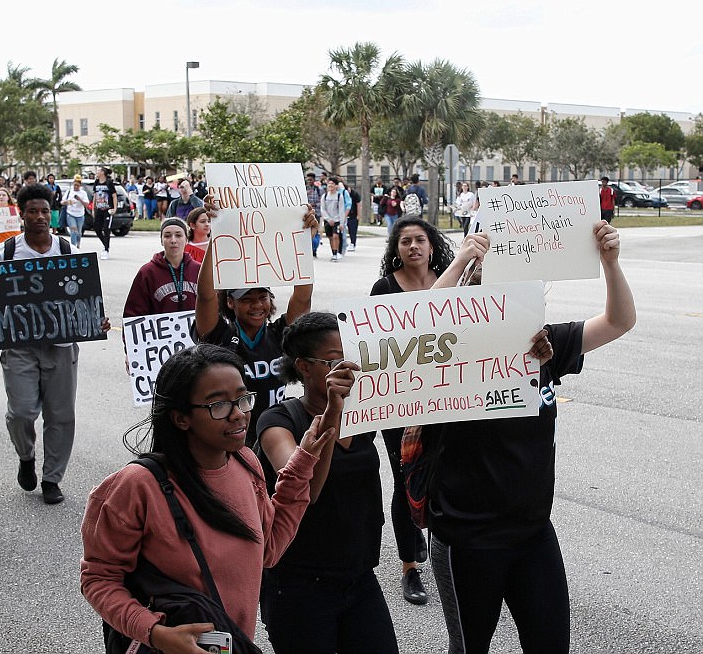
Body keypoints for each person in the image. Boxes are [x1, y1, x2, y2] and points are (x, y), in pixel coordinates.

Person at [425, 223, 635, 654]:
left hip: (533, 534)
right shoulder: (446, 359)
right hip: (468, 539)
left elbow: (619, 321)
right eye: (493, 289)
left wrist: (611, 264)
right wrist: (463, 259)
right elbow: (418, 328)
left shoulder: (545, 347)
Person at [80, 344, 337, 654]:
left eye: (243, 398)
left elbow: (269, 549)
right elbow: (99, 579)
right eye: (218, 405)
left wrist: (303, 460)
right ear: (181, 418)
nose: (239, 414)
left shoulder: (245, 462)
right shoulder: (136, 486)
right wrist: (155, 633)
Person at [257, 312, 398, 653]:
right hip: (299, 588)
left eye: (349, 357)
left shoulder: (363, 413)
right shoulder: (277, 422)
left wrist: (462, 259)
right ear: (304, 366)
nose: (345, 368)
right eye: (333, 360)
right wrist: (333, 409)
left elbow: (415, 344)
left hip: (359, 577)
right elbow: (307, 490)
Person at [0, 183, 110, 505]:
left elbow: (85, 300)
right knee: (21, 412)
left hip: (62, 346)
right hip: (20, 347)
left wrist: (95, 320)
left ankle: (52, 478)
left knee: (61, 415)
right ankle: (26, 456)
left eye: (45, 211)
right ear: (22, 214)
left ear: (51, 213)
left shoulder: (67, 252)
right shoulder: (6, 253)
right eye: (33, 211)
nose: (40, 217)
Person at [369, 215, 456, 605]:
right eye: (405, 242)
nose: (413, 247)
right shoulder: (384, 288)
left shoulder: (455, 279)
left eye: (420, 240)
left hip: (445, 397)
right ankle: (410, 567)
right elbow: (372, 343)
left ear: (432, 245)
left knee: (442, 476)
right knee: (406, 479)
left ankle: (445, 556)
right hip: (397, 401)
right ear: (396, 250)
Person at [194, 197, 318, 449]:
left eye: (262, 297)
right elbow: (205, 295)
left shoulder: (280, 333)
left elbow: (303, 296)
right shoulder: (220, 337)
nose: (257, 305)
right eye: (247, 299)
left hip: (276, 432)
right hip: (234, 436)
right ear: (230, 302)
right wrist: (217, 238)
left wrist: (302, 238)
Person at [123, 217, 200, 319]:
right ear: (161, 241)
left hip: (194, 334)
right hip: (160, 334)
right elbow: (133, 314)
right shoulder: (147, 272)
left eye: (178, 235)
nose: (173, 240)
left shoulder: (199, 270)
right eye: (167, 236)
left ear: (186, 239)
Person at [320, 177, 347, 261]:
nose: (330, 185)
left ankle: (336, 253)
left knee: (336, 236)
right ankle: (333, 252)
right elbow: (322, 209)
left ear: (336, 185)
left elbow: (341, 210)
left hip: (337, 220)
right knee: (330, 237)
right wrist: (328, 219)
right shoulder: (324, 196)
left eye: (332, 184)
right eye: (329, 184)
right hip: (328, 220)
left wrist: (342, 223)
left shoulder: (339, 196)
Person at [93, 167, 117, 260]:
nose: (97, 172)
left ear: (103, 172)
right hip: (99, 209)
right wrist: (93, 208)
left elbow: (114, 196)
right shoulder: (96, 182)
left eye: (98, 171)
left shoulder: (109, 182)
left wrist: (114, 208)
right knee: (97, 228)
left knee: (106, 229)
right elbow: (95, 195)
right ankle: (105, 244)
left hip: (107, 209)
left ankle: (106, 250)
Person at [61, 174, 89, 249]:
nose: (76, 187)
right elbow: (62, 202)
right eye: (75, 185)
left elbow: (86, 204)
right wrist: (67, 202)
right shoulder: (69, 192)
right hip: (70, 214)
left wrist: (80, 199)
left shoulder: (83, 193)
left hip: (80, 215)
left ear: (80, 185)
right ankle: (73, 247)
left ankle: (78, 242)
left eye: (77, 185)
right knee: (73, 230)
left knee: (79, 232)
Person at [305, 172, 323, 256]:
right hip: (306, 214)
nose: (309, 181)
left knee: (315, 230)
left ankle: (314, 249)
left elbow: (322, 201)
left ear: (314, 180)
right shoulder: (304, 189)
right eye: (307, 179)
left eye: (310, 180)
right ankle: (308, 248)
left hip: (316, 213)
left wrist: (314, 205)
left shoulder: (319, 189)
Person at [346, 184, 361, 252]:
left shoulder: (355, 194)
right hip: (345, 215)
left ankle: (353, 243)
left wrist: (358, 215)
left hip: (353, 215)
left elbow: (358, 205)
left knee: (353, 231)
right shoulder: (342, 195)